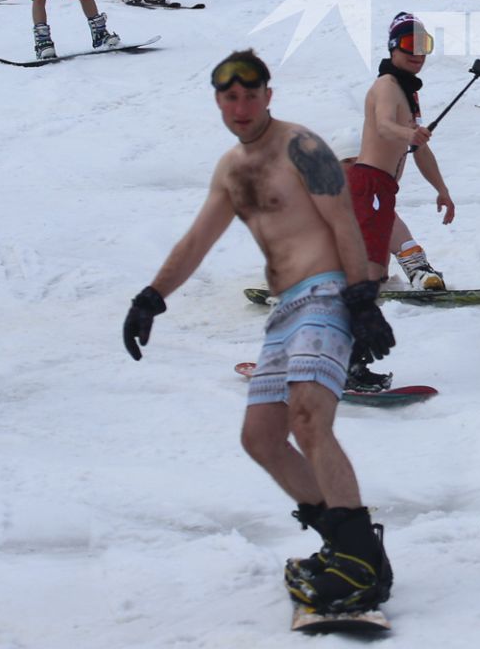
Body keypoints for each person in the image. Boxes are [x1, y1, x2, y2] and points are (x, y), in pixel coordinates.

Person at [121, 49, 395, 616]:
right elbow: (197, 240)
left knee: (307, 418)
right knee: (261, 439)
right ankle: (348, 545)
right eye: (230, 97)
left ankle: (361, 563)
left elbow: (344, 220)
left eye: (251, 94)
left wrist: (362, 298)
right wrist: (151, 298)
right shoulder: (230, 169)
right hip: (284, 310)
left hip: (327, 292)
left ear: (269, 94)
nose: (241, 106)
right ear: (219, 102)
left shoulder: (302, 147)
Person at [348, 13, 457, 306]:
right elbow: (384, 125)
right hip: (369, 183)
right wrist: (407, 134)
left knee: (378, 275)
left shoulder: (408, 93)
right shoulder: (386, 85)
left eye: (425, 45)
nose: (418, 53)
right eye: (411, 44)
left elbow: (420, 150)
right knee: (369, 280)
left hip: (384, 189)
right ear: (394, 46)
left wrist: (442, 190)